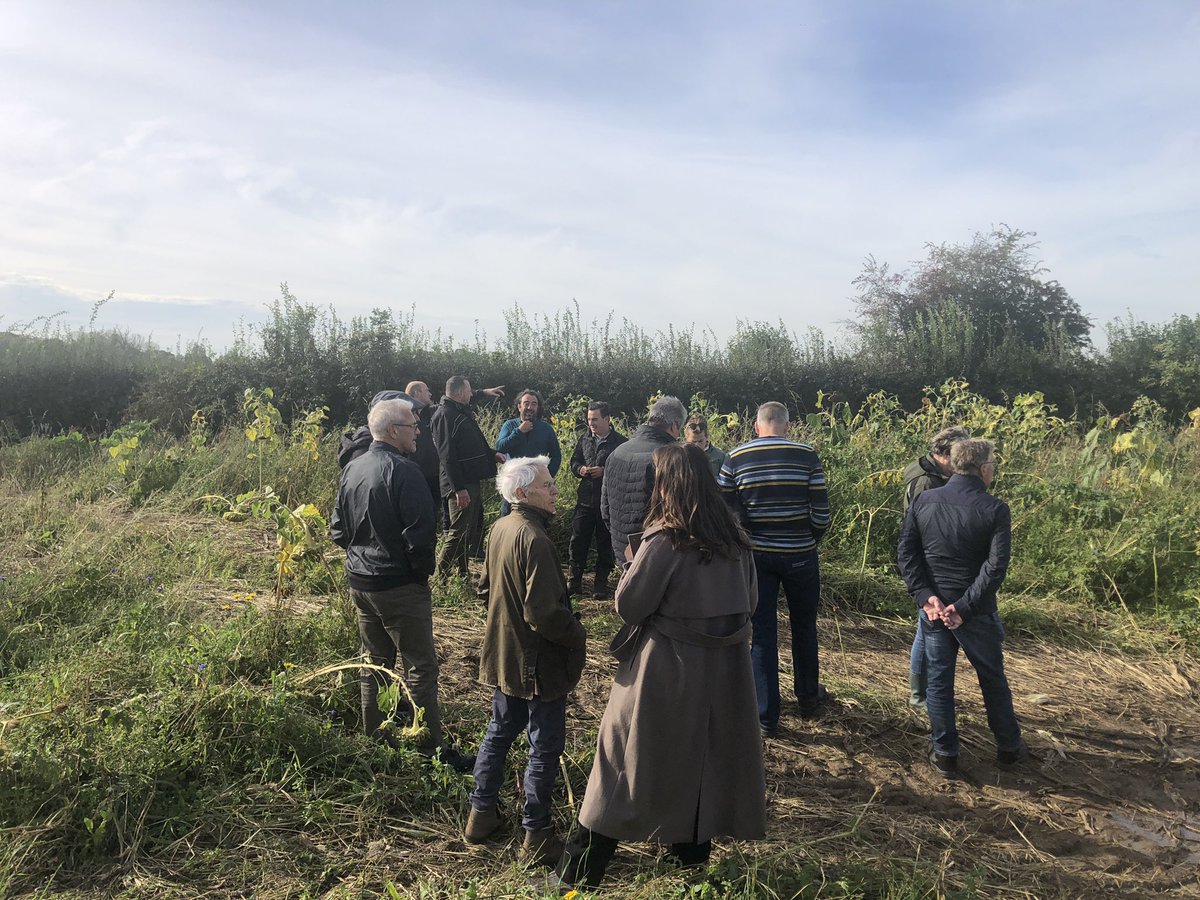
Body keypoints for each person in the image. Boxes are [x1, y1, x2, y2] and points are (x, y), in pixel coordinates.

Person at [556, 443, 765, 889]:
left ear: (668, 485)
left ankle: (574, 880)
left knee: (619, 767)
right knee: (701, 770)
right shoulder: (737, 541)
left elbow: (629, 606)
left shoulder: (667, 540)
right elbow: (749, 604)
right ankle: (692, 879)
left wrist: (633, 565)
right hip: (724, 676)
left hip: (662, 672)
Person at [329, 398, 473, 771]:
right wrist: (416, 574)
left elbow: (337, 530)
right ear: (393, 431)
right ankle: (428, 750)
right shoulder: (403, 471)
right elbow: (421, 536)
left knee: (374, 662)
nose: (419, 431)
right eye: (412, 425)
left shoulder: (352, 468)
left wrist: (362, 553)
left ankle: (375, 739)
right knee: (420, 667)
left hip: (360, 583)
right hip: (398, 585)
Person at [465, 456, 587, 866]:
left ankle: (480, 814)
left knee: (499, 731)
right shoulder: (536, 539)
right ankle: (535, 836)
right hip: (538, 665)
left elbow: (485, 590)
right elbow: (545, 614)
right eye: (548, 485)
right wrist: (577, 633)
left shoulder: (499, 528)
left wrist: (508, 624)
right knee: (544, 746)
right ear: (522, 493)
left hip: (505, 655)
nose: (555, 490)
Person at [897, 438, 1026, 777]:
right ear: (984, 469)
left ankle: (945, 754)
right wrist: (965, 607)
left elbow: (907, 553)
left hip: (936, 611)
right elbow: (995, 567)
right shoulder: (995, 508)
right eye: (993, 464)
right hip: (975, 611)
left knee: (939, 681)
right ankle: (1009, 748)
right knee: (992, 678)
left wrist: (927, 597)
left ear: (954, 465)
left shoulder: (924, 500)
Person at [719, 401, 831, 736]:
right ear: (786, 425)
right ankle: (808, 697)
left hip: (757, 556)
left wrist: (748, 537)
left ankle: (766, 717)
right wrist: (808, 537)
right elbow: (821, 511)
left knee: (763, 633)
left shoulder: (735, 457)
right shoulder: (807, 455)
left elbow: (726, 510)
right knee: (804, 626)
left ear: (756, 426)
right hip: (800, 554)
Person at [901, 425, 970, 709]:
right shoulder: (927, 483)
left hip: (927, 559)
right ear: (945, 455)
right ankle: (920, 696)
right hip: (928, 562)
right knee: (927, 624)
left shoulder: (929, 473)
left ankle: (921, 693)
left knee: (924, 627)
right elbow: (920, 527)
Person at [430, 376, 505, 579]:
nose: (472, 395)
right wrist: (458, 488)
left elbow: (469, 445)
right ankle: (440, 577)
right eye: (470, 391)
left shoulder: (456, 410)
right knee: (458, 531)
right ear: (460, 392)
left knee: (467, 529)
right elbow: (447, 455)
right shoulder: (446, 415)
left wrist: (492, 454)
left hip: (469, 480)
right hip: (459, 484)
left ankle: (462, 573)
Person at [600, 395, 685, 562]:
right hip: (657, 553)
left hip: (623, 550)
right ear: (675, 425)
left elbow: (605, 508)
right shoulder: (670, 458)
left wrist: (621, 541)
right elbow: (679, 512)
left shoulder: (616, 452)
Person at [567, 401, 627, 598]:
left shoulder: (620, 443)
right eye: (589, 419)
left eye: (595, 419)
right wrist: (580, 469)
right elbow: (574, 462)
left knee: (605, 544)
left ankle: (600, 584)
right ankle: (574, 582)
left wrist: (605, 471)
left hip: (608, 502)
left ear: (607, 419)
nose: (591, 423)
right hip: (585, 500)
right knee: (578, 542)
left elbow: (624, 470)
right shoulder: (584, 439)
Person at [495, 390, 562, 516]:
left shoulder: (546, 429)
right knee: (509, 517)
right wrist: (519, 432)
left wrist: (547, 477)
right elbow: (500, 447)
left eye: (534, 404)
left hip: (537, 487)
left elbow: (556, 455)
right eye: (526, 403)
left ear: (538, 407)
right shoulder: (510, 425)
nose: (530, 407)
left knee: (537, 518)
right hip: (513, 485)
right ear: (519, 406)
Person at [404, 380, 444, 516]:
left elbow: (453, 400)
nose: (430, 394)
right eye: (427, 390)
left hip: (433, 472)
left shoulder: (431, 411)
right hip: (413, 473)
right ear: (417, 393)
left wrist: (481, 393)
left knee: (435, 510)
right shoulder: (402, 414)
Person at [684, 414, 728, 479]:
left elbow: (725, 481)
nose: (697, 445)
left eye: (700, 441)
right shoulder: (680, 456)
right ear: (686, 438)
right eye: (693, 442)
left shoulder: (719, 456)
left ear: (707, 437)